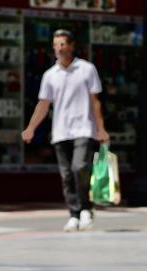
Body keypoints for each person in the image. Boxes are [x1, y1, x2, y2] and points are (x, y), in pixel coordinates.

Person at [22, 29, 109, 232]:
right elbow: (43, 104)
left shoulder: (87, 69)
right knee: (66, 175)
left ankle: (86, 208)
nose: (59, 49)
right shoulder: (50, 75)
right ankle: (74, 214)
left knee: (79, 167)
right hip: (60, 131)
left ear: (71, 46)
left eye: (62, 44)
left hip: (84, 129)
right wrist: (31, 128)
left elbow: (95, 102)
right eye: (56, 45)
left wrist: (101, 128)